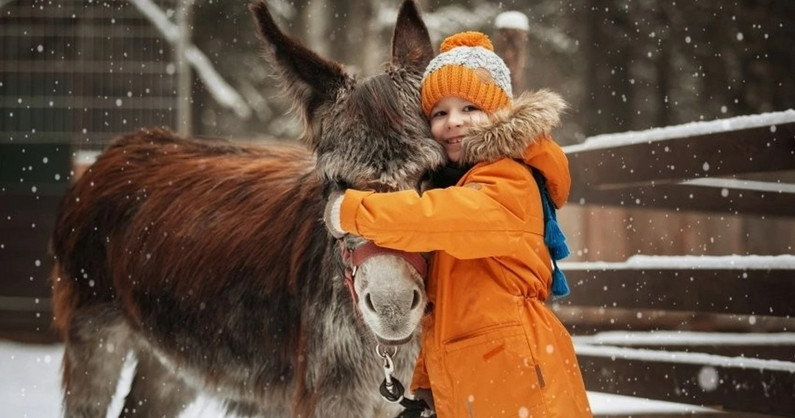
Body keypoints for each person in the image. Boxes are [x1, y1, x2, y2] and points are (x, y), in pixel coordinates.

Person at [324, 31, 592, 418]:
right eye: (439, 113)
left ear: (499, 111)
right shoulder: (464, 184)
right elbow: (444, 317)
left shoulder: (509, 181)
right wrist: (426, 389)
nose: (454, 122)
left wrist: (352, 211)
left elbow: (436, 217)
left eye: (470, 108)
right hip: (482, 385)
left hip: (521, 384)